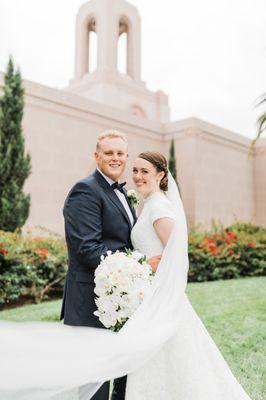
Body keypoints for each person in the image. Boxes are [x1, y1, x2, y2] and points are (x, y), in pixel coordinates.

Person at [0, 150, 253, 400]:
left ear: (161, 175)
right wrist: (140, 267)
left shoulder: (159, 208)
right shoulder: (147, 205)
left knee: (173, 365)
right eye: (135, 170)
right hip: (146, 297)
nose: (138, 176)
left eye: (145, 171)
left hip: (159, 299)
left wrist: (145, 267)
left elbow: (177, 252)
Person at [60, 130, 159, 400]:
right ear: (96, 156)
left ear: (126, 157)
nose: (115, 158)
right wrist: (140, 267)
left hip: (122, 298)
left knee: (125, 373)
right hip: (90, 300)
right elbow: (88, 249)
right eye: (108, 153)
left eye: (120, 153)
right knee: (96, 380)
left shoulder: (124, 192)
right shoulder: (85, 190)